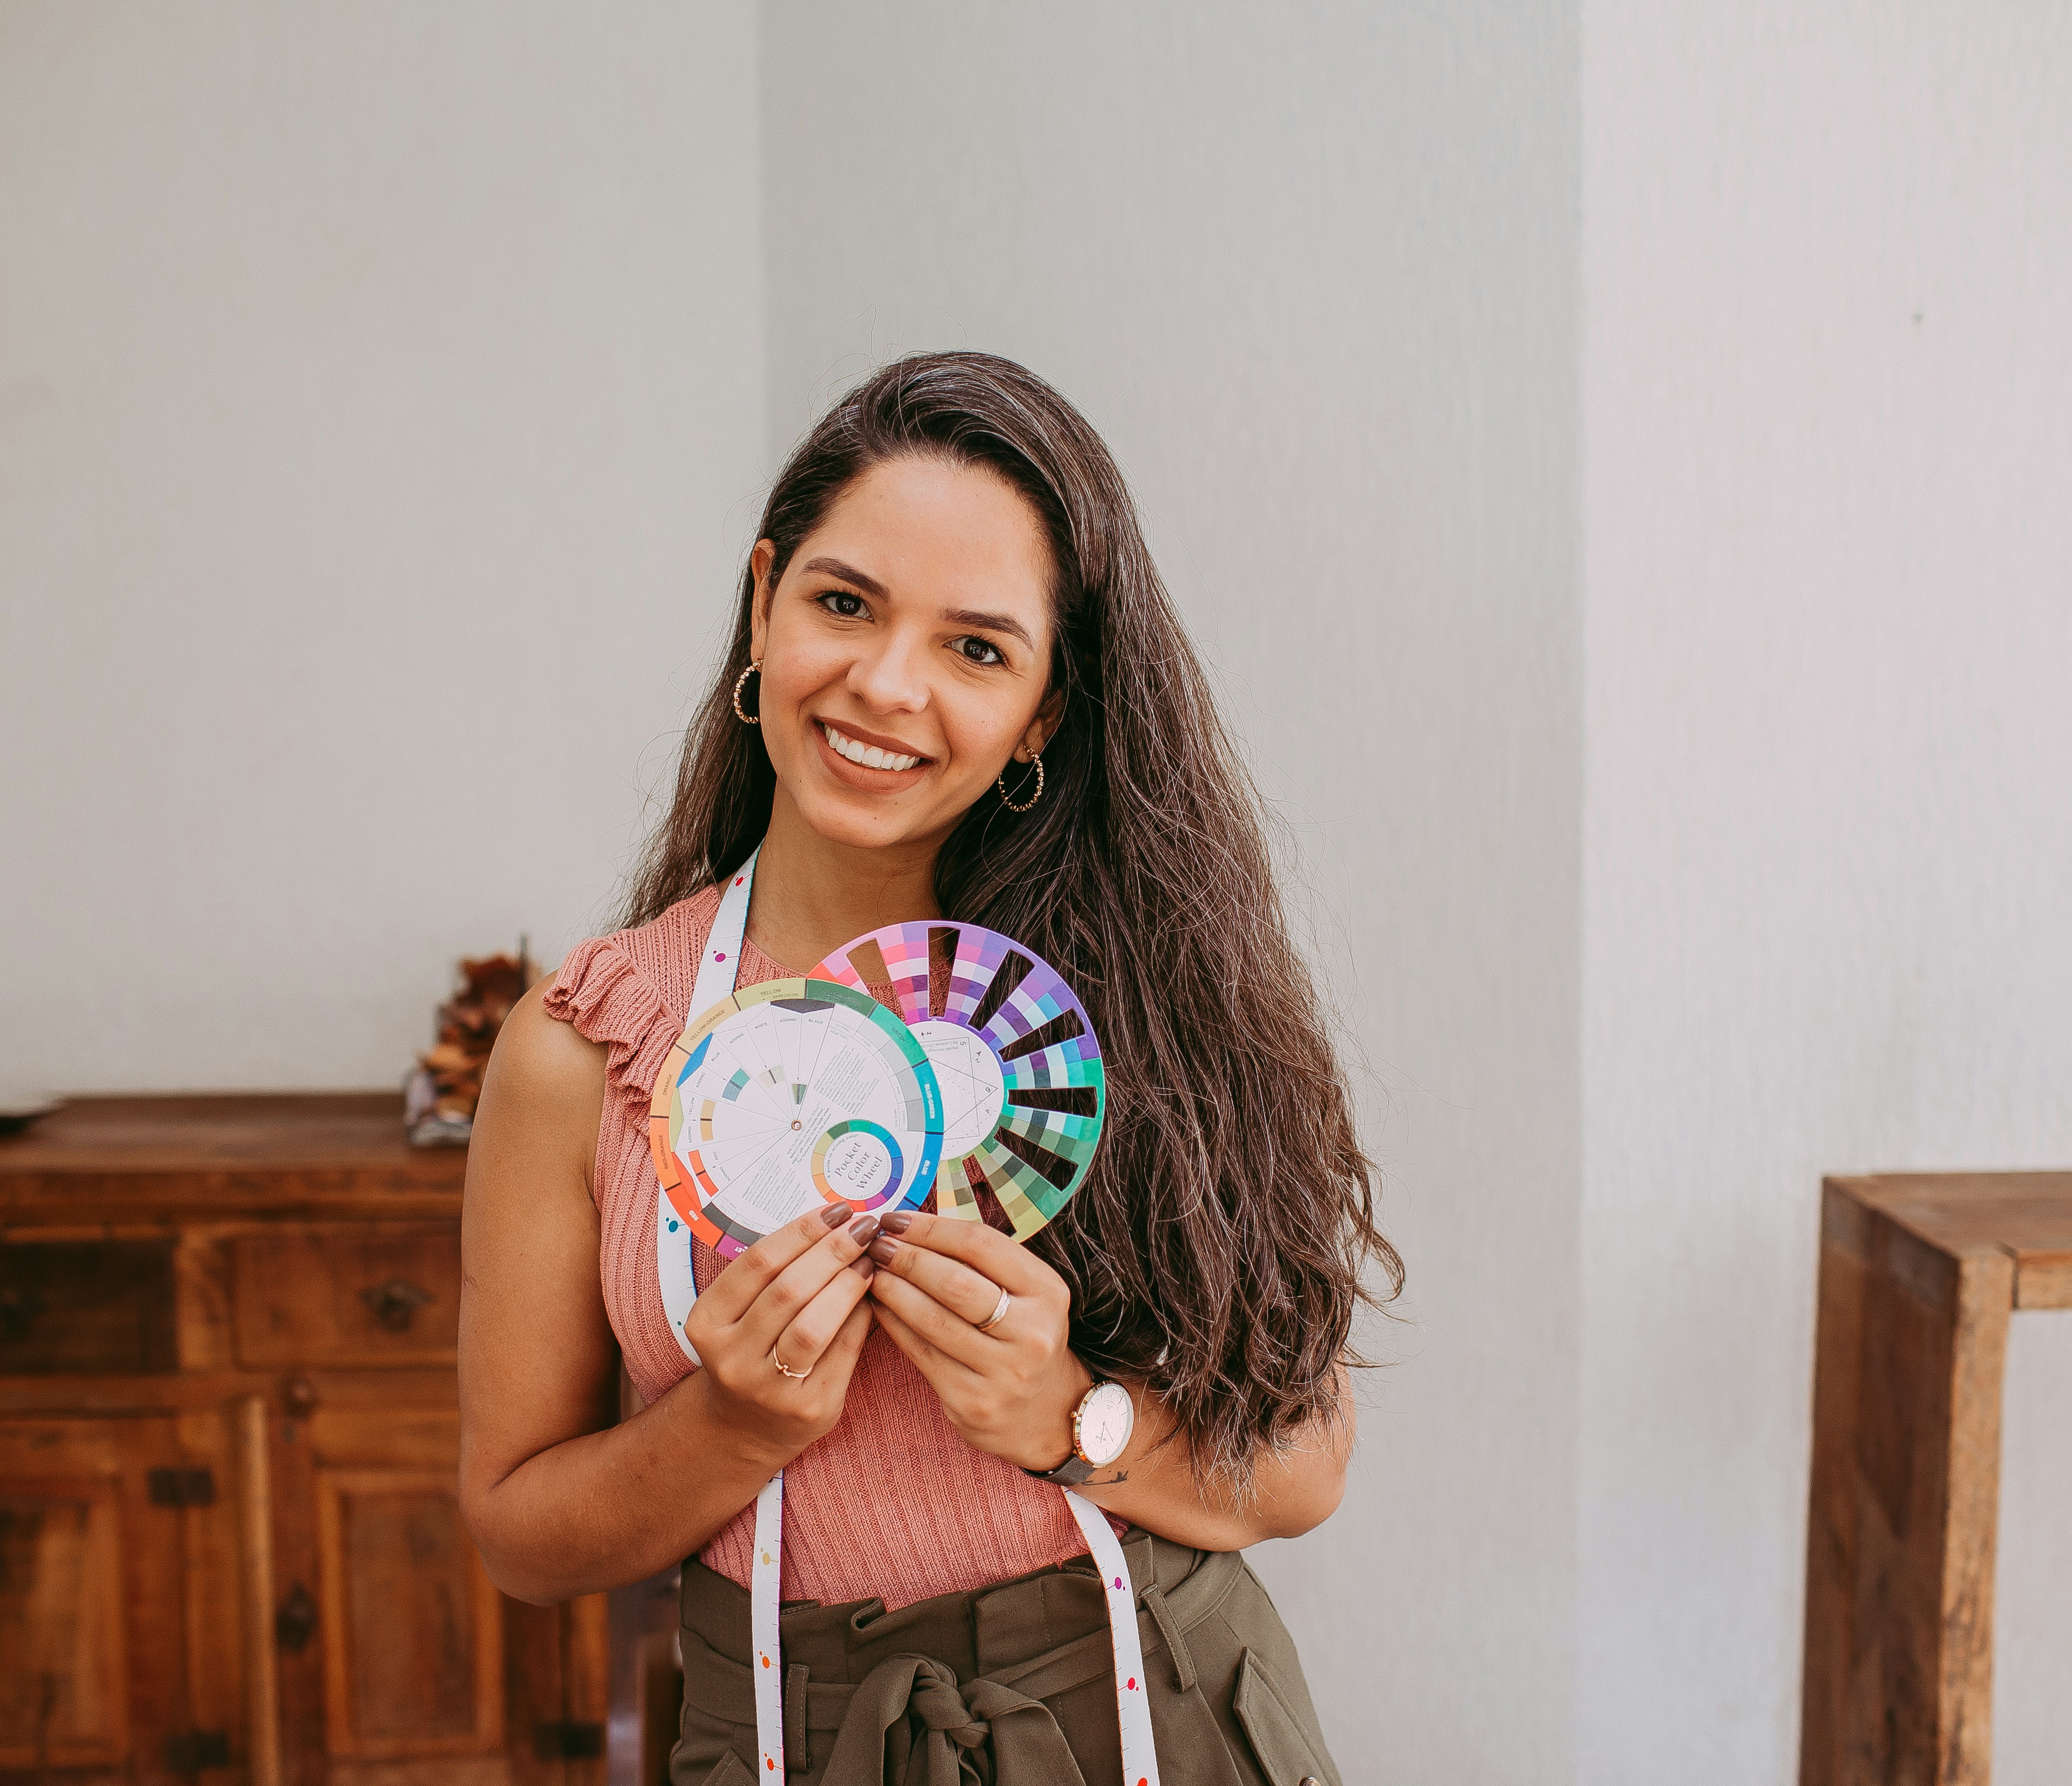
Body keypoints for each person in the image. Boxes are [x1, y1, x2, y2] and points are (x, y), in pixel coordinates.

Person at [460, 352, 1397, 1786]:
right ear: (763, 607)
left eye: (977, 648)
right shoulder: (591, 1048)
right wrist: (731, 1426)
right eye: (844, 604)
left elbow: (1307, 1466)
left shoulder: (1139, 1003)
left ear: (1043, 714)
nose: (887, 684)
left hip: (1155, 1712)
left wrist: (1069, 1416)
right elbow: (518, 1535)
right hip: (778, 1733)